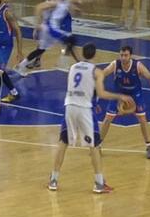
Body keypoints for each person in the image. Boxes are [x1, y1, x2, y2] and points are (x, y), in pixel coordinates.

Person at [47, 42, 131, 194]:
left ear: (83, 53)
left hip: (69, 106)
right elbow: (102, 93)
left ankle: (53, 180)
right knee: (95, 146)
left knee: (63, 143)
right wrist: (120, 96)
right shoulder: (96, 71)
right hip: (84, 109)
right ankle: (99, 183)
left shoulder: (72, 68)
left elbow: (79, 84)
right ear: (95, 54)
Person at [100, 45, 150, 159]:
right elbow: (102, 74)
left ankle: (149, 146)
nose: (123, 58)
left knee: (143, 120)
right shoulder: (115, 64)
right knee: (107, 119)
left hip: (135, 95)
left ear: (130, 56)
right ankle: (98, 145)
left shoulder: (138, 66)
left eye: (125, 55)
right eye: (121, 55)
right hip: (119, 95)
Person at [14, 0, 61, 74]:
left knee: (41, 48)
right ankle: (23, 64)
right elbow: (41, 14)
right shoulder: (49, 1)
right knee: (41, 48)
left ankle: (32, 62)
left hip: (50, 27)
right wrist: (36, 27)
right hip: (47, 28)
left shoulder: (56, 1)